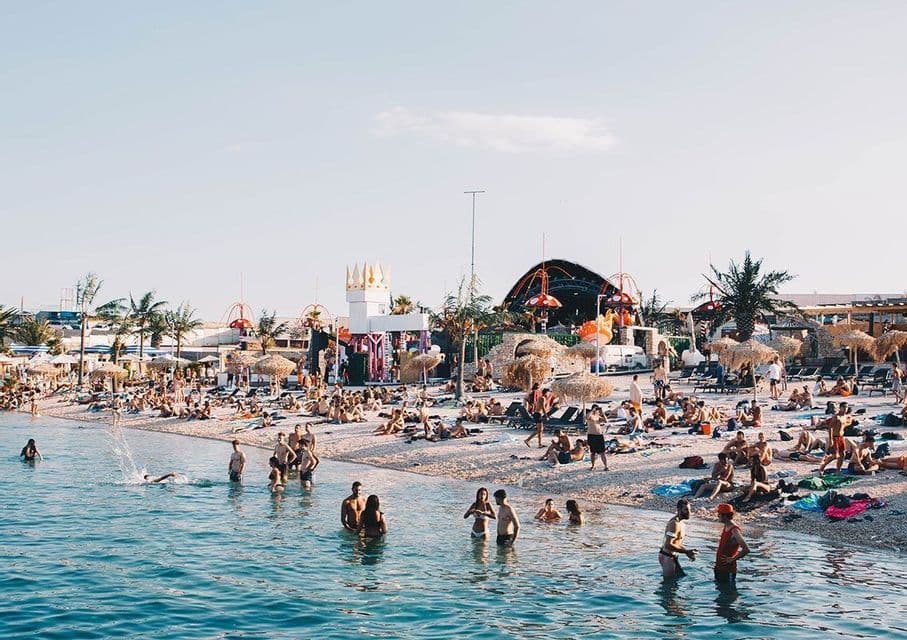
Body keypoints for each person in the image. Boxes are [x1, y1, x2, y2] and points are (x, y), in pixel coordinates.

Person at [659, 499, 698, 578]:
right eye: (686, 510)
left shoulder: (681, 524)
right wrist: (686, 551)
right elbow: (668, 545)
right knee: (669, 586)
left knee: (681, 577)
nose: (689, 512)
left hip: (672, 556)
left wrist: (688, 552)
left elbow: (676, 543)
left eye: (690, 510)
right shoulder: (674, 524)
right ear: (679, 510)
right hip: (667, 557)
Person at [714, 503, 749, 582]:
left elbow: (746, 549)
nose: (717, 516)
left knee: (728, 593)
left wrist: (733, 559)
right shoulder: (726, 526)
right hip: (719, 568)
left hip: (728, 570)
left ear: (725, 516)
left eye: (719, 514)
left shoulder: (734, 530)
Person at [585, 404, 609, 471]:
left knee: (602, 452)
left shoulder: (598, 416)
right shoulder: (590, 415)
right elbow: (587, 417)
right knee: (593, 452)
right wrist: (592, 410)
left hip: (599, 435)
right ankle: (593, 465)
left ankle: (606, 466)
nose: (597, 410)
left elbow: (606, 421)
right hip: (592, 435)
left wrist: (602, 412)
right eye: (596, 409)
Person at [524, 383, 547, 448]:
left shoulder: (540, 397)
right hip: (538, 414)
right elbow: (543, 407)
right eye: (548, 393)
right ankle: (528, 440)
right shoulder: (542, 398)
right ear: (545, 393)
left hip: (537, 414)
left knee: (540, 430)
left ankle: (539, 444)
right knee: (540, 430)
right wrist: (546, 415)